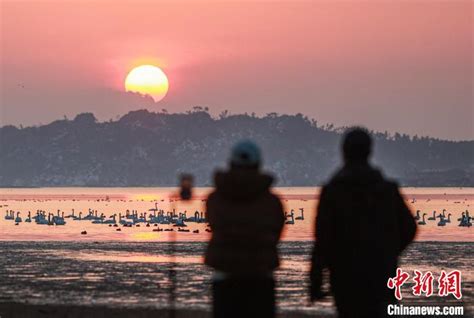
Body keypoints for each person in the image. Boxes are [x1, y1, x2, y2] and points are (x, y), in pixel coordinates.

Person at [310, 128, 417, 318]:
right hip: (382, 276)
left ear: (344, 152)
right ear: (369, 152)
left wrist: (315, 281)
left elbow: (322, 240)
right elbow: (410, 228)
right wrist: (388, 252)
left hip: (345, 278)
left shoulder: (333, 193)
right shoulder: (387, 190)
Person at [205, 140, 285, 318]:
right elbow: (277, 233)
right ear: (258, 164)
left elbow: (214, 225)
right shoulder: (272, 202)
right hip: (261, 276)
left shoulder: (215, 199)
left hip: (225, 275)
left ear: (231, 163)